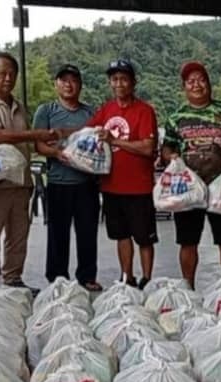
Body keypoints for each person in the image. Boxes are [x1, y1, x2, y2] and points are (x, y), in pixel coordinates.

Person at [0, 51, 59, 294]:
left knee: (18, 235)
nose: (8, 78)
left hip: (20, 182)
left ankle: (13, 279)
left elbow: (25, 142)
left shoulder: (18, 106)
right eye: (2, 73)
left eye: (12, 74)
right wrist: (37, 134)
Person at [162, 61, 221, 289]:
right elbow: (167, 147)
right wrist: (172, 158)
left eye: (201, 80)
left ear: (209, 83)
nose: (196, 85)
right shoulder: (176, 117)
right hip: (188, 190)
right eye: (190, 81)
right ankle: (188, 289)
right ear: (184, 87)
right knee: (187, 242)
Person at [87, 59, 159, 290]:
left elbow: (148, 148)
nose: (119, 84)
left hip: (139, 186)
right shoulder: (106, 110)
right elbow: (88, 132)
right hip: (111, 185)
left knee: (144, 237)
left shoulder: (145, 111)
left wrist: (115, 141)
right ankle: (127, 276)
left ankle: (146, 278)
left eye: (124, 79)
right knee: (121, 235)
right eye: (114, 79)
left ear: (133, 82)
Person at [32, 64, 102, 291]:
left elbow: (98, 143)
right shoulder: (46, 111)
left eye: (73, 80)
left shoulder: (90, 113)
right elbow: (38, 145)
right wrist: (56, 153)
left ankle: (87, 276)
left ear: (80, 85)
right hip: (58, 182)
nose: (68, 85)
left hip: (86, 183)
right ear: (56, 84)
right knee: (57, 233)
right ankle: (57, 277)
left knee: (88, 233)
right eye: (64, 80)